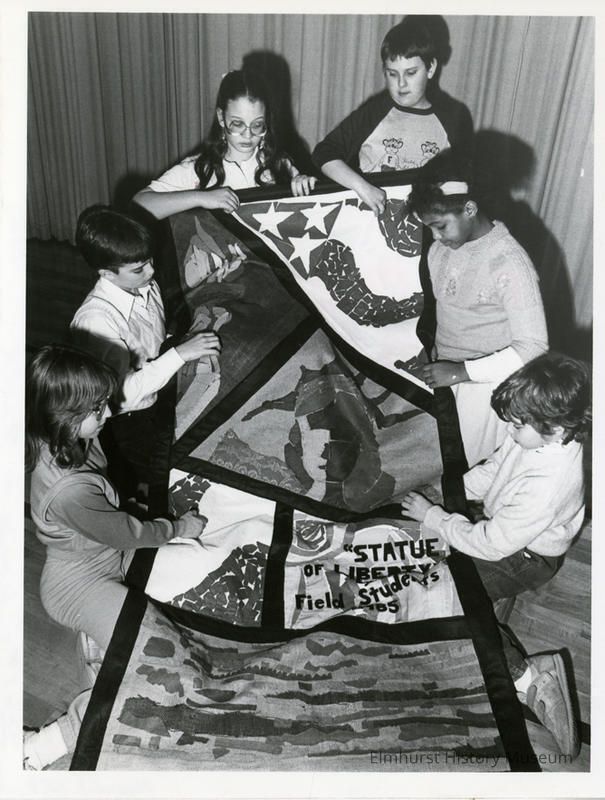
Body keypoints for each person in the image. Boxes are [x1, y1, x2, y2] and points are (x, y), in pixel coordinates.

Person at [23, 344, 207, 769]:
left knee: (195, 572)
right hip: (79, 584)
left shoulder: (66, 436)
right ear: (65, 417)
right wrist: (178, 527)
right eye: (97, 408)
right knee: (157, 667)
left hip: (106, 559)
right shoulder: (68, 490)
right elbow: (127, 532)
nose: (107, 413)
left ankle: (102, 646)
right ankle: (39, 747)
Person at [401, 352, 591, 759]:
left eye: (518, 425)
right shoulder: (536, 434)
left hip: (525, 558)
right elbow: (497, 467)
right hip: (507, 532)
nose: (510, 429)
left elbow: (490, 544)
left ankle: (529, 677)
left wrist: (435, 516)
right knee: (431, 560)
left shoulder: (549, 484)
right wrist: (448, 494)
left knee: (446, 596)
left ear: (556, 428)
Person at [70, 205, 221, 511]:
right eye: (139, 268)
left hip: (156, 396)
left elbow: (152, 335)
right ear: (106, 273)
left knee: (164, 465)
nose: (151, 272)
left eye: (150, 261)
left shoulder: (142, 282)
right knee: (142, 476)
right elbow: (119, 396)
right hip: (127, 421)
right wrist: (179, 354)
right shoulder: (95, 321)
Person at [406, 155, 548, 466]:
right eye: (429, 228)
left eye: (440, 226)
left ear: (469, 209)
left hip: (487, 388)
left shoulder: (509, 262)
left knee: (472, 470)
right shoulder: (439, 250)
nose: (435, 237)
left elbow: (534, 346)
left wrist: (462, 371)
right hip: (447, 378)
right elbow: (446, 311)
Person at [312, 17, 473, 216]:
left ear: (430, 68)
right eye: (392, 74)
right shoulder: (374, 111)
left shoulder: (454, 119)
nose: (401, 84)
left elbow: (464, 182)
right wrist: (362, 187)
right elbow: (323, 153)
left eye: (411, 73)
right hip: (369, 220)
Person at [134, 68, 316, 220]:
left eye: (257, 125)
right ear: (221, 117)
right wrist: (200, 198)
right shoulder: (198, 168)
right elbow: (138, 204)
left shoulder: (280, 164)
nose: (248, 134)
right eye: (237, 124)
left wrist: (304, 186)